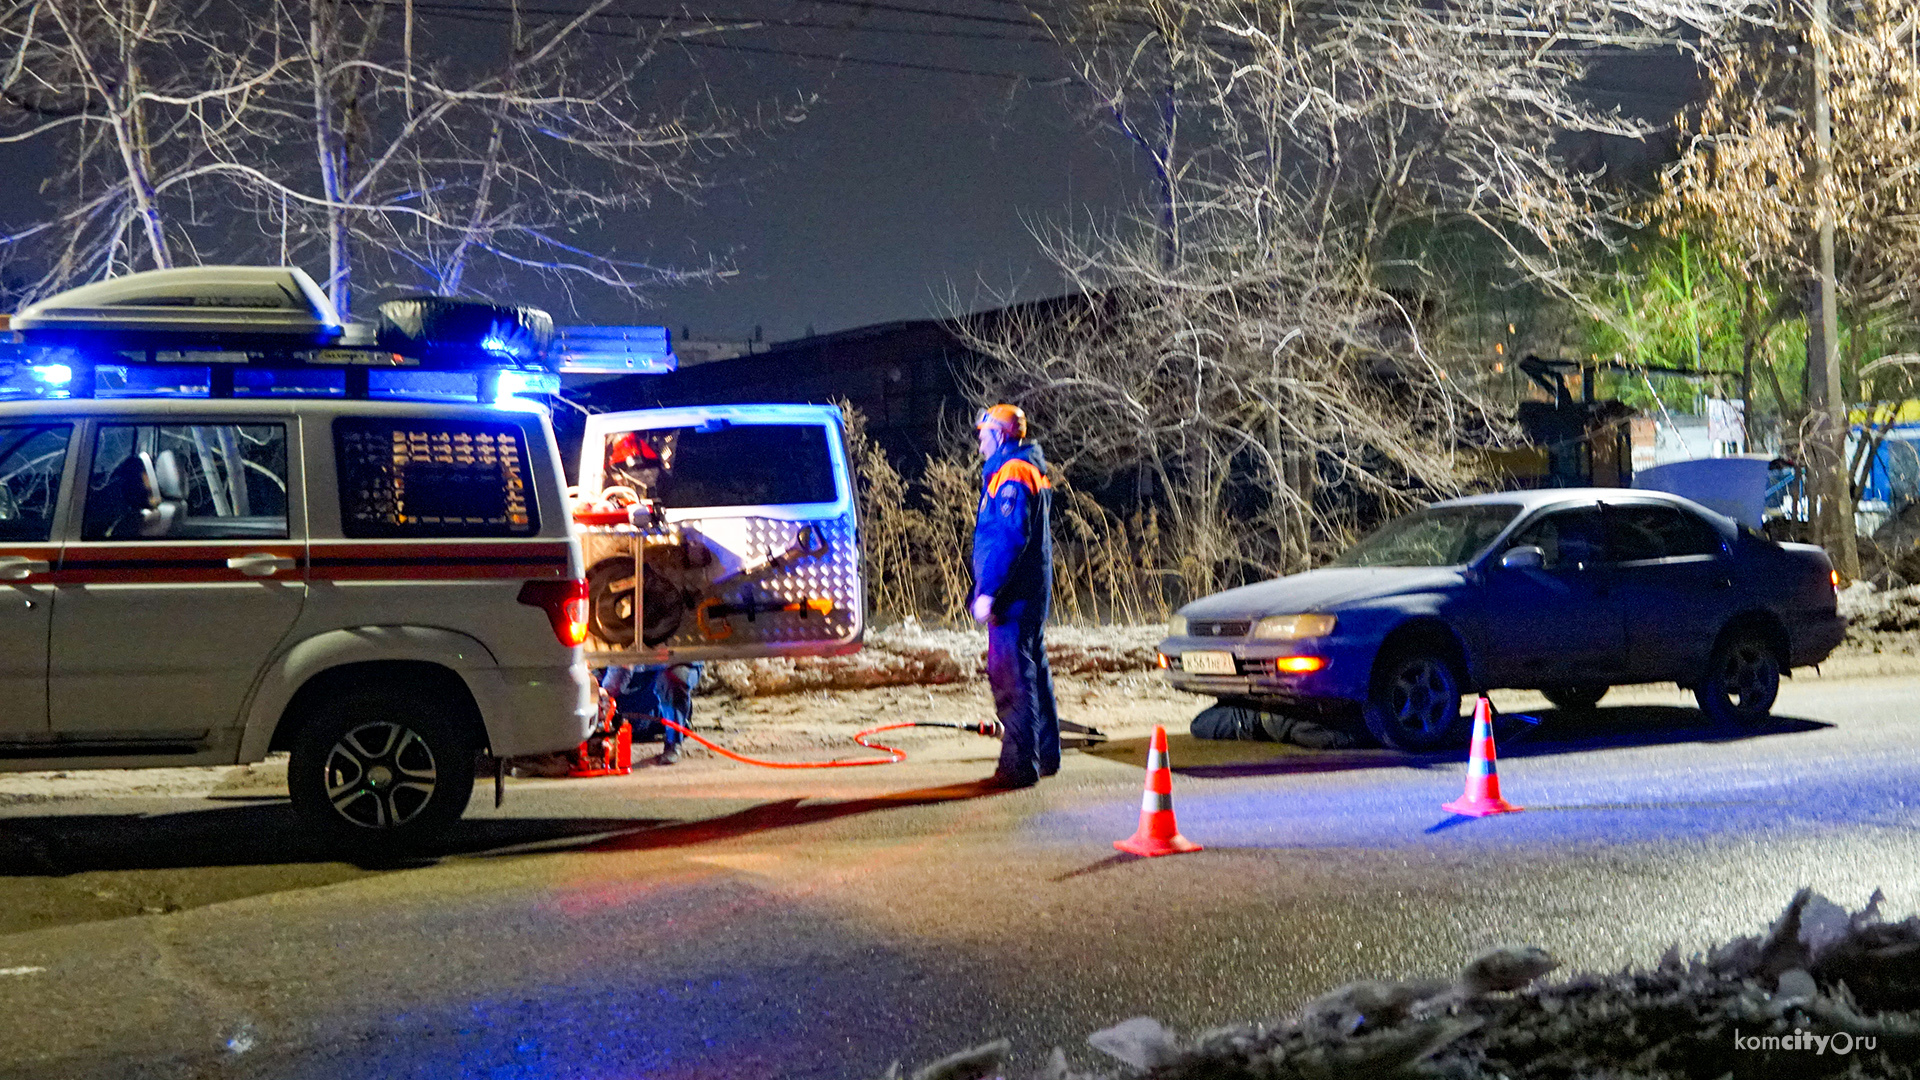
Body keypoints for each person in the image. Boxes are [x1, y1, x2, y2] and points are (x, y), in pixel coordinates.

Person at [970, 403, 1062, 788]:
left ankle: (1019, 766)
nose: (979, 444)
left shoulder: (1011, 473)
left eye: (983, 436)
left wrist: (989, 591)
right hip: (1029, 588)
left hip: (1014, 594)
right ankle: (1045, 755)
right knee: (1033, 670)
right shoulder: (1026, 468)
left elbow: (1008, 537)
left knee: (1012, 676)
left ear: (1000, 435)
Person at [600, 661, 704, 764]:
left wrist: (609, 690)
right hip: (640, 675)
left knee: (673, 678)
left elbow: (623, 667)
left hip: (674, 664)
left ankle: (674, 739)